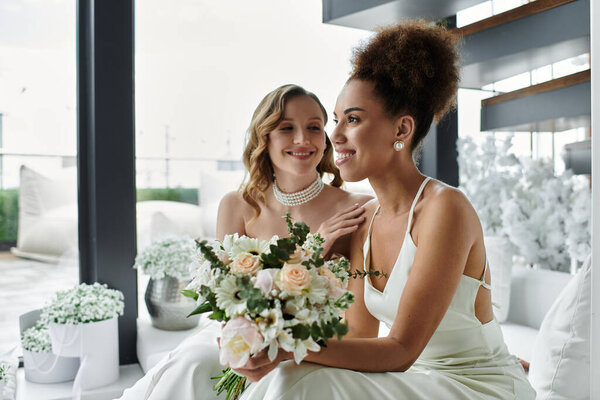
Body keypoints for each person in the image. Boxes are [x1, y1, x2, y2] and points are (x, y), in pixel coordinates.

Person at [232, 22, 536, 399]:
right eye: (337, 119)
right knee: (292, 378)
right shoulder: (365, 221)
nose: (335, 135)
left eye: (353, 119)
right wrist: (271, 338)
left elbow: (401, 350)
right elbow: (359, 336)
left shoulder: (445, 208)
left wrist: (287, 346)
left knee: (292, 377)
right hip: (414, 378)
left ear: (402, 129)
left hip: (473, 384)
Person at [117, 84, 371, 400]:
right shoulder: (237, 205)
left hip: (315, 345)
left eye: (314, 128)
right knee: (194, 363)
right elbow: (228, 302)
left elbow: (362, 328)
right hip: (242, 336)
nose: (302, 139)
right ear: (263, 137)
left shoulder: (357, 209)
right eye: (286, 128)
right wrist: (311, 250)